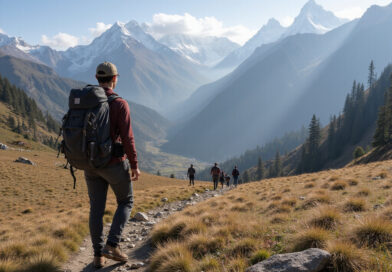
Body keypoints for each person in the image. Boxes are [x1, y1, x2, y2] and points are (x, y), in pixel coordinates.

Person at [85, 62, 140, 268]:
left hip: (90, 164)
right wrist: (134, 164)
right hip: (114, 163)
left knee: (96, 209)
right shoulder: (119, 103)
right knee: (126, 201)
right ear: (115, 79)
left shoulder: (87, 101)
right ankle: (112, 244)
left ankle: (98, 256)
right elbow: (128, 138)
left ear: (97, 78)